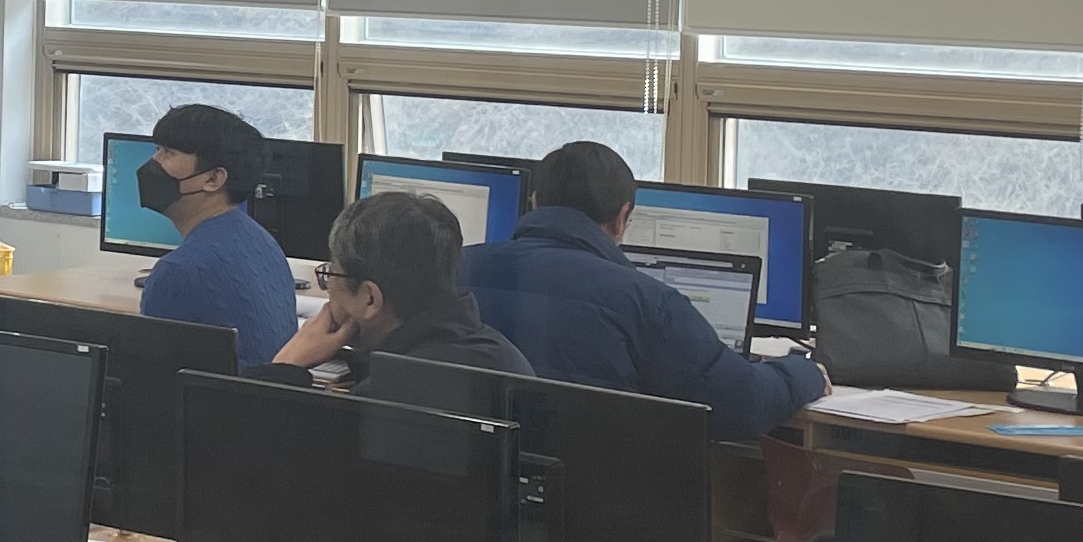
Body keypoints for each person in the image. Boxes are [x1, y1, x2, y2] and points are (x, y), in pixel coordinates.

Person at [460, 137, 828, 441]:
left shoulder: (456, 268)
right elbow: (742, 406)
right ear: (623, 218)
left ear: (535, 202)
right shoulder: (647, 301)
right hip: (596, 493)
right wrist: (803, 373)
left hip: (478, 481)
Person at [268, 190, 532, 382]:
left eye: (330, 276)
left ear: (370, 299)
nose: (328, 290)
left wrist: (284, 366)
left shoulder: (382, 398)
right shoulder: (500, 353)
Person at [130, 100, 297, 368]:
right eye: (157, 150)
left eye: (169, 153)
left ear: (213, 179)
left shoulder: (181, 270)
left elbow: (151, 379)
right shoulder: (261, 240)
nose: (154, 162)